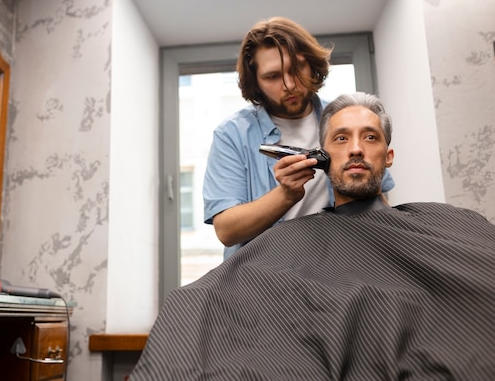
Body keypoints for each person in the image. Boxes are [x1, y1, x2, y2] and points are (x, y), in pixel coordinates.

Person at [131, 93, 495, 380]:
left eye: (370, 137)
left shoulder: (448, 223)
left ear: (389, 156)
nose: (356, 148)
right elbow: (202, 310)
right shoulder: (289, 243)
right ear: (322, 157)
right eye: (341, 138)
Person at [203, 17, 394, 259]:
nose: (289, 84)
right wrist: (285, 195)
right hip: (268, 274)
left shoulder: (343, 121)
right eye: (273, 77)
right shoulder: (232, 134)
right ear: (256, 83)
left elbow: (378, 199)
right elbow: (227, 230)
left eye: (296, 69)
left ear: (312, 65)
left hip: (343, 260)